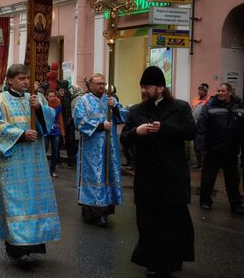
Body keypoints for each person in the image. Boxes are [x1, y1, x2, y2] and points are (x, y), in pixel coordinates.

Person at [120, 66, 196, 277]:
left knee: (171, 224)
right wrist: (137, 131)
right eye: (142, 86)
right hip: (147, 178)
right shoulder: (136, 110)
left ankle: (169, 263)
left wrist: (165, 128)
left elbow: (191, 132)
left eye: (147, 86)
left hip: (173, 176)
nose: (143, 90)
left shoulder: (180, 108)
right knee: (148, 223)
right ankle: (152, 263)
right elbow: (124, 138)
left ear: (161, 88)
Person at [0, 64, 60, 262]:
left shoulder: (36, 99)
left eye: (27, 78)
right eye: (21, 78)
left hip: (35, 161)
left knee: (33, 202)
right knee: (15, 203)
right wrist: (20, 135)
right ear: (10, 80)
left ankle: (34, 243)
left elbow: (48, 124)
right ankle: (16, 248)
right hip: (13, 162)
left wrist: (39, 109)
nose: (26, 82)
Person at [73, 73, 127, 227]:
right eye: (98, 84)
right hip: (92, 148)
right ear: (90, 85)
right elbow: (79, 121)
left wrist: (114, 108)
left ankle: (106, 210)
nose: (102, 86)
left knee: (108, 174)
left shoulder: (110, 100)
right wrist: (100, 126)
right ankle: (94, 213)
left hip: (110, 147)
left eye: (103, 83)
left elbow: (123, 117)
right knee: (95, 176)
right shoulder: (83, 101)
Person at [196, 82, 244, 214]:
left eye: (223, 91)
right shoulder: (210, 105)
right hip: (213, 148)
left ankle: (236, 204)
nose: (220, 93)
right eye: (218, 91)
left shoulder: (239, 105)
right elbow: (201, 126)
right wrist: (200, 146)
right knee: (208, 177)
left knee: (233, 179)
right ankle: (205, 201)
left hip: (231, 149)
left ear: (230, 92)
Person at [46, 89, 65, 178]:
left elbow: (60, 118)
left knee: (55, 151)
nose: (52, 98)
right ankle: (44, 170)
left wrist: (62, 132)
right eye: (50, 96)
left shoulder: (58, 105)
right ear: (47, 97)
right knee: (44, 150)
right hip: (46, 130)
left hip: (56, 130)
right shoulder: (45, 105)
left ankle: (52, 170)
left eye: (54, 96)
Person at [190, 83, 209, 169]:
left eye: (201, 90)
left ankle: (204, 164)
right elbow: (192, 111)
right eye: (199, 89)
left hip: (204, 127)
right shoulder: (195, 100)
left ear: (206, 91)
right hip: (195, 127)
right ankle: (198, 163)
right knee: (196, 146)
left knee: (203, 147)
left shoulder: (209, 100)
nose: (199, 91)